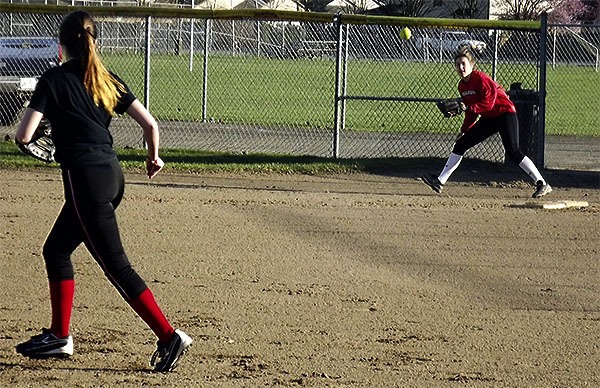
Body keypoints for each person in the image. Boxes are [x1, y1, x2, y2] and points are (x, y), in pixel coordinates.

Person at [14, 10, 192, 372]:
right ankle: (59, 336)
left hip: (86, 182)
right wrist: (153, 158)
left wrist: (48, 133)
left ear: (61, 47)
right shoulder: (107, 78)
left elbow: (23, 135)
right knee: (57, 249)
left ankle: (169, 335)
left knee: (116, 267)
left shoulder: (53, 78)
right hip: (112, 176)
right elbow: (150, 124)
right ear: (95, 42)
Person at [422, 46, 552, 198]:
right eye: (457, 64)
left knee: (513, 151)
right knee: (461, 144)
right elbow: (471, 113)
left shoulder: (481, 79)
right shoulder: (462, 86)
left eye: (464, 63)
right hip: (489, 118)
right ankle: (439, 181)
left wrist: (468, 107)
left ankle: (542, 183)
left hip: (504, 113)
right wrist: (465, 130)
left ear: (472, 65)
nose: (461, 67)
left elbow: (488, 103)